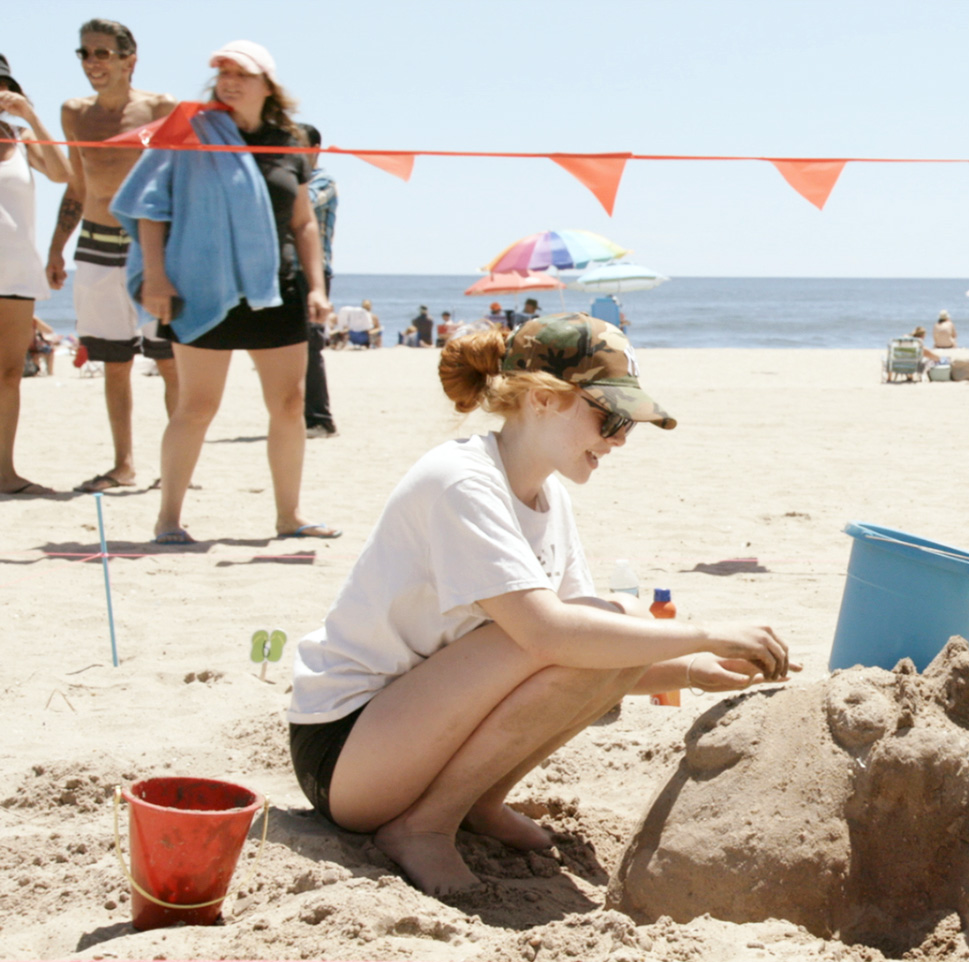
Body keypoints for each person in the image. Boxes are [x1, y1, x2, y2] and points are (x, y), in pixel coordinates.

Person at [287, 314, 796, 895]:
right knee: (601, 622)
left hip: (402, 734)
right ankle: (424, 826)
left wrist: (688, 670)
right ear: (541, 400)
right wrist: (704, 633)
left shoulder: (545, 491)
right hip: (345, 752)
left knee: (612, 626)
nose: (622, 437)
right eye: (609, 415)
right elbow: (551, 637)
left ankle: (480, 802)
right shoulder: (463, 481)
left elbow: (582, 656)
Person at [115, 40, 334, 544]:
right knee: (197, 405)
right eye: (223, 72)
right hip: (200, 283)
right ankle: (168, 519)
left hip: (275, 285)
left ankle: (289, 516)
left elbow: (303, 224)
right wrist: (155, 276)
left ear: (268, 86)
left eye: (242, 73)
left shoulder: (290, 140)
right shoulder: (190, 131)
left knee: (288, 403)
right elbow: (150, 207)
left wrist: (317, 286)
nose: (229, 81)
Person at [47, 19, 180, 494]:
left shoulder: (160, 108)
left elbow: (177, 178)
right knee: (113, 360)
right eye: (84, 53)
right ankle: (123, 465)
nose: (92, 63)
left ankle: (177, 465)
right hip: (95, 243)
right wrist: (56, 248)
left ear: (129, 58)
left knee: (168, 360)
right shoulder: (74, 113)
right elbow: (79, 183)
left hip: (150, 246)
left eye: (102, 53)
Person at [0, 55, 73, 496]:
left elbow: (64, 173)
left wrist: (31, 115)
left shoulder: (20, 135)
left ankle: (4, 472)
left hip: (15, 272)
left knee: (9, 374)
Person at [301, 123, 336, 439]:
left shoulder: (321, 181)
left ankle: (320, 419)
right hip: (291, 270)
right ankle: (303, 416)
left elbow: (302, 204)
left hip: (316, 272)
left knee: (310, 344)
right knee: (293, 345)